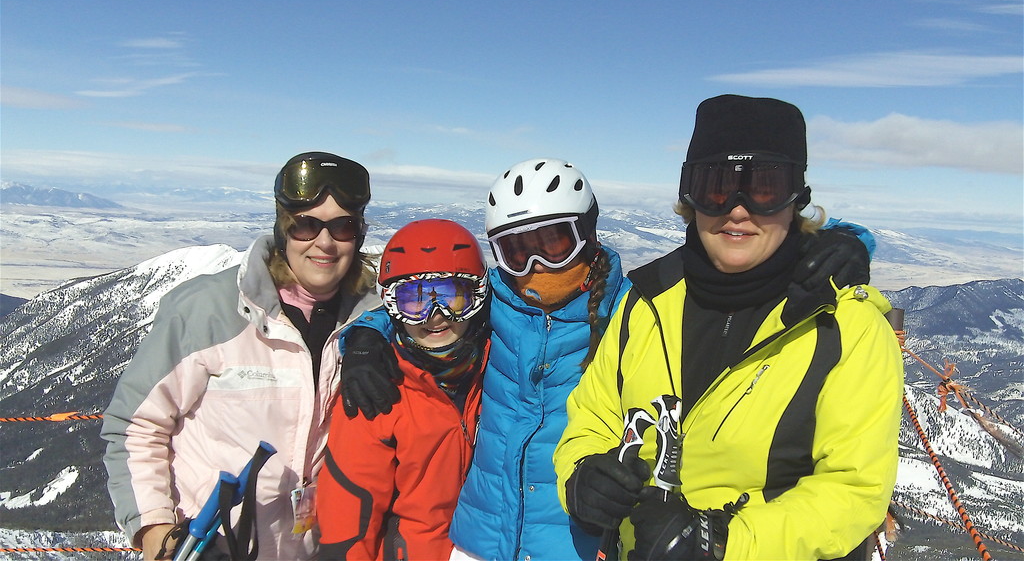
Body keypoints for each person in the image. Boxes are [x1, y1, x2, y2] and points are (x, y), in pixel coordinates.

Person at [340, 156, 874, 561]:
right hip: (478, 540)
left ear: (588, 236)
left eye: (555, 242)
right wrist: (365, 335)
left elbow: (725, 288)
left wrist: (846, 242)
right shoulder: (492, 303)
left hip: (574, 542)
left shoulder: (630, 311)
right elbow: (425, 304)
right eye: (514, 249)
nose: (534, 266)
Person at [553, 95, 904, 561]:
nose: (738, 210)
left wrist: (724, 544)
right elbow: (593, 419)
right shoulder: (646, 302)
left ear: (796, 199)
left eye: (764, 188)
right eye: (716, 187)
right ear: (689, 198)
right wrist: (581, 478)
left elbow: (854, 490)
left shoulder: (844, 328)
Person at [101, 152, 381, 561]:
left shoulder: (371, 322)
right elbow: (135, 426)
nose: (325, 242)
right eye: (306, 225)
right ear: (283, 228)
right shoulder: (209, 311)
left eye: (343, 226)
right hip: (210, 546)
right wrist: (158, 534)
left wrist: (378, 334)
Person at [317, 219, 490, 560]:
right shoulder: (377, 390)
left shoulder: (499, 367)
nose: (435, 317)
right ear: (392, 307)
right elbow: (349, 517)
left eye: (453, 297)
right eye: (415, 301)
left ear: (478, 297)